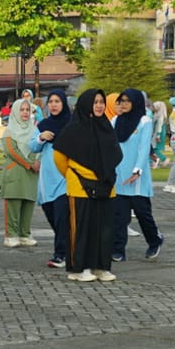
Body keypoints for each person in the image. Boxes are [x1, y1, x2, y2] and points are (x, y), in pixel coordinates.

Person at [53, 89, 120, 282]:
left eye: (101, 102)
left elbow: (114, 155)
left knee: (104, 229)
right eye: (95, 102)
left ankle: (101, 266)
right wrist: (73, 175)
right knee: (81, 229)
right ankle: (78, 268)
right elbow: (59, 157)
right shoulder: (73, 129)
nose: (99, 105)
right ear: (86, 104)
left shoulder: (106, 127)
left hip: (106, 186)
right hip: (80, 187)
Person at [111, 88, 164, 258]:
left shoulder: (144, 121)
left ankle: (154, 241)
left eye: (127, 100)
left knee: (142, 214)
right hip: (119, 176)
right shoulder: (115, 121)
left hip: (137, 178)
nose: (124, 104)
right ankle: (118, 250)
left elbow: (143, 148)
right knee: (119, 216)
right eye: (121, 101)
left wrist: (137, 171)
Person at [28, 90, 71, 267]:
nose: (53, 104)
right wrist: (40, 138)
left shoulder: (72, 123)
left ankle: (60, 255)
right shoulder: (43, 125)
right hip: (47, 179)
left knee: (62, 217)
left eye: (57, 101)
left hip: (66, 178)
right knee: (52, 216)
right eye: (51, 101)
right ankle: (69, 247)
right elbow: (32, 147)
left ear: (63, 104)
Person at [0, 94, 39, 247]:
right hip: (15, 171)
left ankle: (24, 234)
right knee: (13, 206)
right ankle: (11, 235)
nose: (24, 113)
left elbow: (38, 147)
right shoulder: (9, 130)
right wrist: (30, 164)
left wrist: (37, 161)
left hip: (31, 174)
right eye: (21, 110)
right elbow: (12, 151)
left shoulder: (34, 130)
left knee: (28, 204)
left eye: (27, 110)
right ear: (15, 111)